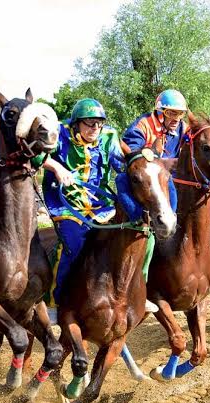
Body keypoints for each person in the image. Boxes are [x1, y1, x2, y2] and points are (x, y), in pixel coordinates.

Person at [42, 98, 164, 314]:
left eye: (99, 123)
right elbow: (36, 156)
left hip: (101, 204)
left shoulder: (109, 136)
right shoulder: (60, 133)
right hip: (66, 204)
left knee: (145, 236)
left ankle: (139, 292)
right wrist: (57, 168)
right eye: (89, 123)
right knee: (72, 245)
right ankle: (55, 302)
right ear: (77, 123)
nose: (95, 128)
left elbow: (121, 165)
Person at [122, 89, 189, 167]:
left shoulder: (184, 129)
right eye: (171, 113)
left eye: (180, 114)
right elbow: (132, 153)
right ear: (160, 112)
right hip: (148, 172)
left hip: (174, 174)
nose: (177, 119)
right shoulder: (143, 125)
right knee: (122, 178)